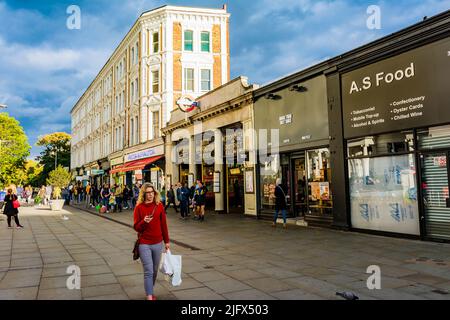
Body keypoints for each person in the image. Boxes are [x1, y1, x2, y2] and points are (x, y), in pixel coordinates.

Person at [133, 183, 170, 301]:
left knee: (154, 270)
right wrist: (144, 221)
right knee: (148, 270)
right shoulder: (139, 207)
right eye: (148, 193)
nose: (150, 195)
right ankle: (149, 296)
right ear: (143, 194)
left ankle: (150, 289)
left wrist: (167, 241)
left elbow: (164, 225)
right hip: (144, 243)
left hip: (158, 242)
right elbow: (136, 227)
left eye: (152, 192)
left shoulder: (159, 206)